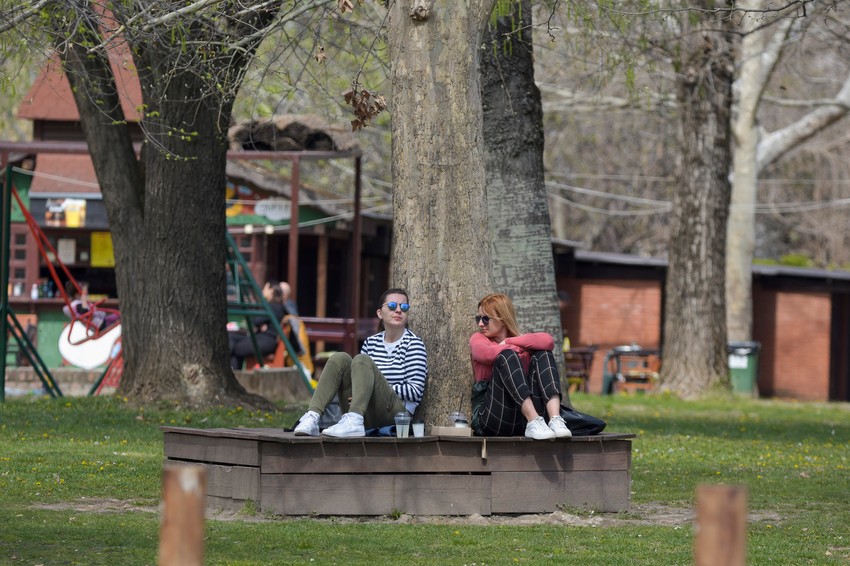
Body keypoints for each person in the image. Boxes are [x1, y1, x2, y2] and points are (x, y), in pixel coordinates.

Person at [293, 287, 428, 437]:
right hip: (364, 410)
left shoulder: (413, 345)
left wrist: (375, 389)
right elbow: (361, 379)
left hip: (396, 417)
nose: (398, 310)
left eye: (404, 307)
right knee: (340, 358)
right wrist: (361, 392)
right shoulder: (371, 342)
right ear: (379, 313)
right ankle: (312, 417)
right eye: (392, 306)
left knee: (362, 360)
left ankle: (355, 420)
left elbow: (415, 391)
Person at [469, 293, 572, 440]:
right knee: (507, 355)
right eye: (478, 318)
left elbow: (548, 341)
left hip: (522, 421)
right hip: (493, 416)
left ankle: (556, 420)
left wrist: (510, 341)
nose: (480, 324)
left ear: (502, 318)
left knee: (544, 354)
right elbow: (486, 354)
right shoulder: (479, 338)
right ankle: (533, 419)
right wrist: (515, 348)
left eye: (485, 319)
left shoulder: (519, 340)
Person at [228, 282, 287, 369]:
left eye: (265, 289)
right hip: (262, 338)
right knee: (232, 338)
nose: (262, 291)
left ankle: (231, 370)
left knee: (236, 348)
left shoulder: (273, 307)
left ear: (271, 290)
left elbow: (256, 321)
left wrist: (260, 323)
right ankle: (233, 371)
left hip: (266, 341)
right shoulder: (276, 306)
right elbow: (259, 321)